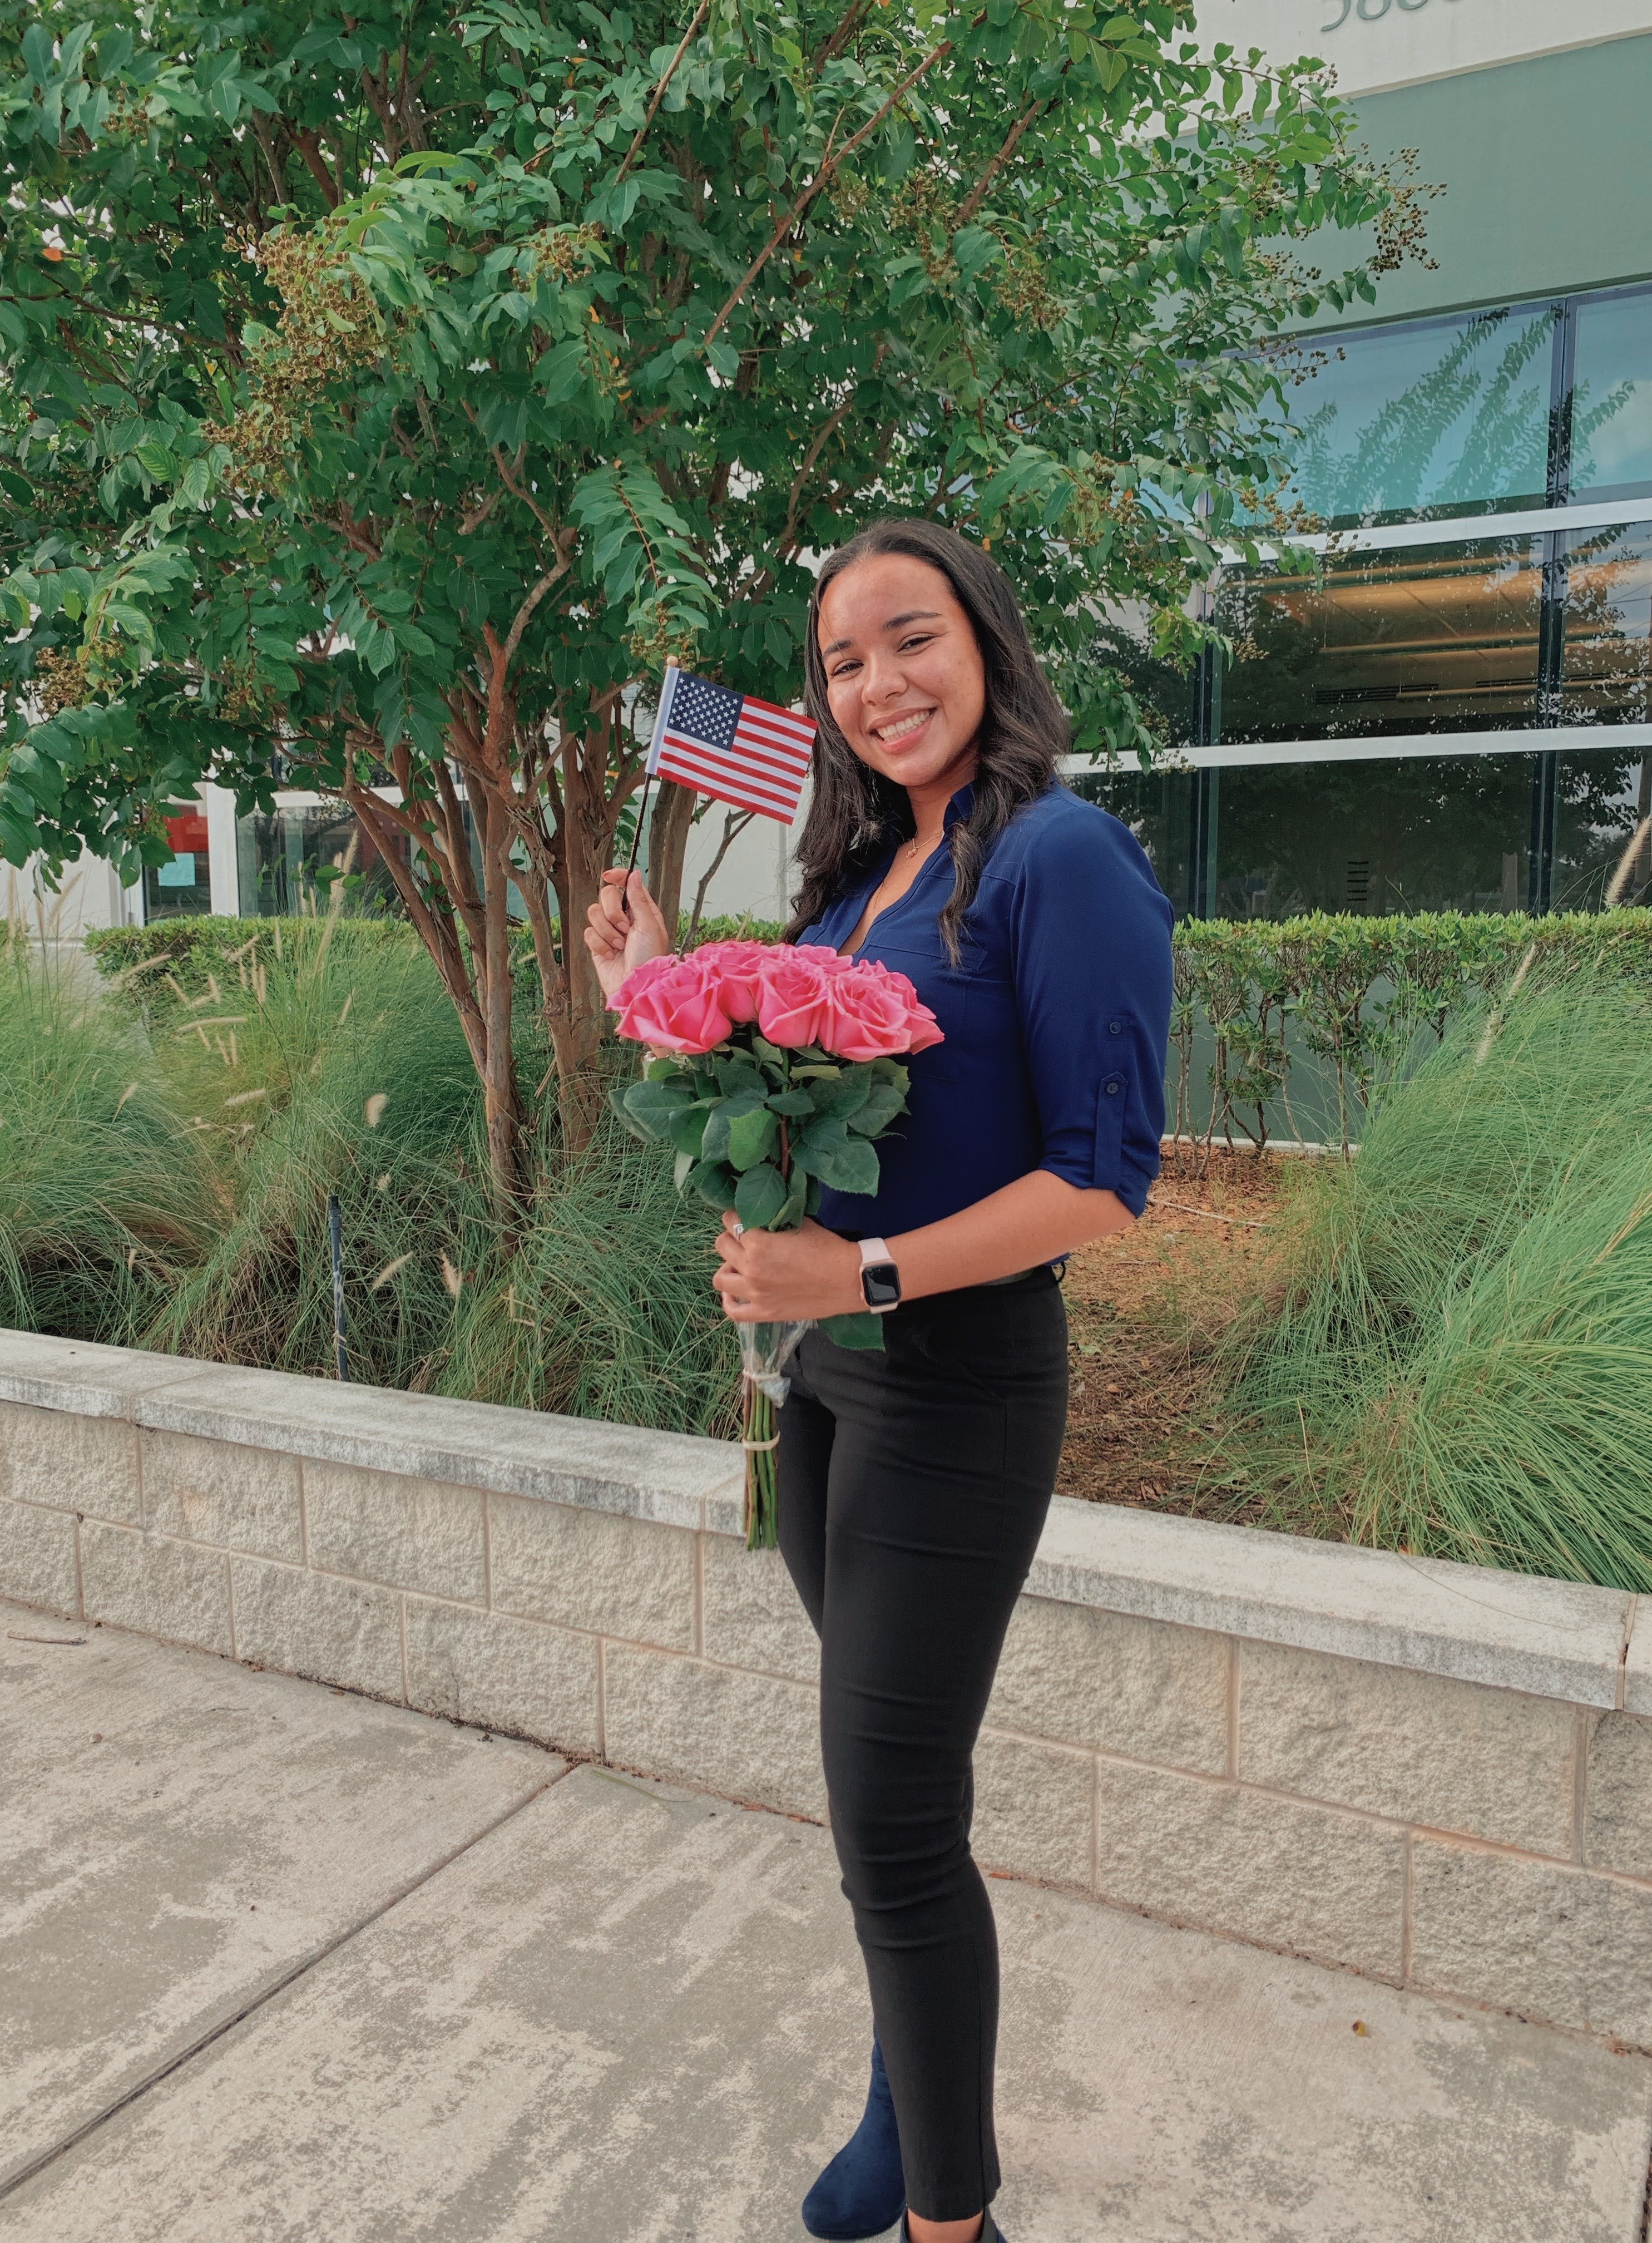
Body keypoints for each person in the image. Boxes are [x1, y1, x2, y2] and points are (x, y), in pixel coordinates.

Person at [585, 518, 1174, 2243]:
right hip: (825, 1393)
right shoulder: (857, 886)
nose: (877, 684)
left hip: (960, 1387)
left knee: (894, 1829)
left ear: (985, 640)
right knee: (886, 1803)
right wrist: (648, 995)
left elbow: (1104, 1181)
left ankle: (950, 2221)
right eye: (843, 661)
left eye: (910, 638)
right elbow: (786, 1115)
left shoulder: (1058, 859)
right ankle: (903, 2106)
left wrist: (861, 1273)